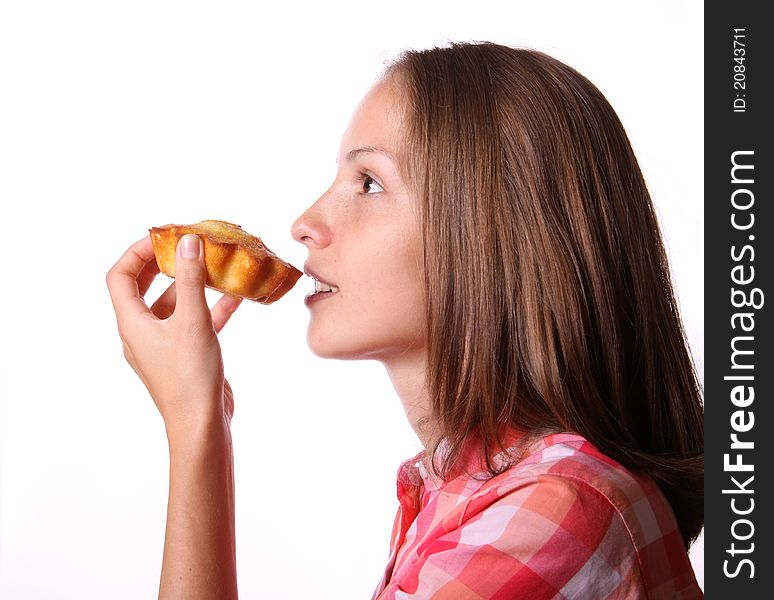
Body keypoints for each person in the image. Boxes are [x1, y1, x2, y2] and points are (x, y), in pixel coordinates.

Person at [106, 42, 704, 599]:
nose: (304, 223)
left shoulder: (555, 514)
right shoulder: (459, 496)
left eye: (368, 182)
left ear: (490, 233)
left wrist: (195, 431)